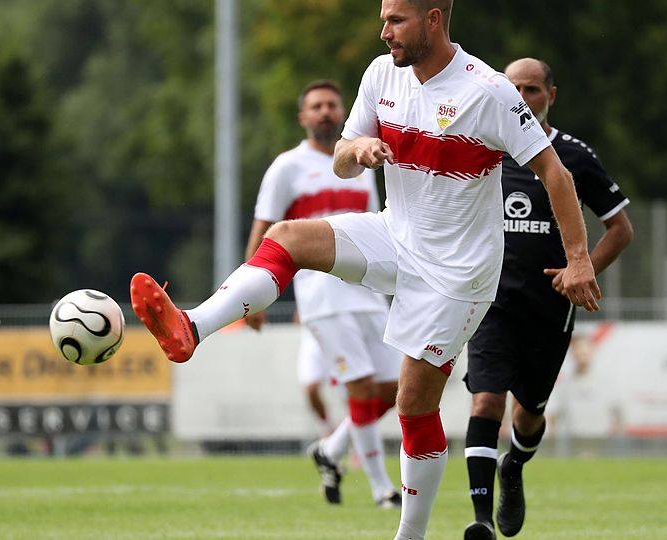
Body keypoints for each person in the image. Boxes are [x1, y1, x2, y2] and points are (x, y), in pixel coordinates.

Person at [129, 2, 600, 538]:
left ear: (433, 20)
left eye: (396, 20)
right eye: (383, 18)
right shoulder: (381, 74)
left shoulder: (488, 90)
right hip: (396, 234)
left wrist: (579, 258)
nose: (384, 31)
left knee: (412, 404)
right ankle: (191, 327)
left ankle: (409, 535)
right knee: (285, 237)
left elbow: (555, 174)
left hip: (458, 274)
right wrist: (359, 148)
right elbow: (341, 158)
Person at [461, 58, 632, 540]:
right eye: (513, 88)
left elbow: (620, 229)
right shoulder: (481, 147)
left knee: (529, 413)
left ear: (551, 95)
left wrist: (583, 268)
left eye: (532, 89)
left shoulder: (573, 155)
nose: (522, 97)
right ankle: (480, 520)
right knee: (485, 402)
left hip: (548, 308)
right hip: (489, 301)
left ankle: (513, 466)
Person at [243, 79, 403, 508]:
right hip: (322, 295)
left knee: (395, 387)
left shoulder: (360, 163)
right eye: (316, 106)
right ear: (303, 117)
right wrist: (249, 293)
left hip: (366, 288)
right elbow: (264, 228)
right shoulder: (287, 167)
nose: (325, 112)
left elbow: (377, 224)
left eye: (331, 105)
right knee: (361, 385)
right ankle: (381, 489)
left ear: (342, 112)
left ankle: (331, 450)